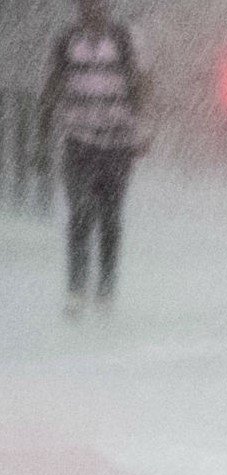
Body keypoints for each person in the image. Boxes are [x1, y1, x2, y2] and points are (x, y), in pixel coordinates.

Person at [36, 0, 152, 317]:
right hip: (78, 143)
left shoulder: (127, 40)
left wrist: (143, 129)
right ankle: (75, 290)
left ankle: (105, 290)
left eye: (98, 3)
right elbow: (51, 88)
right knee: (80, 214)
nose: (92, 8)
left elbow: (143, 85)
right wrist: (43, 138)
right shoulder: (65, 42)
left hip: (117, 144)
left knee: (110, 219)